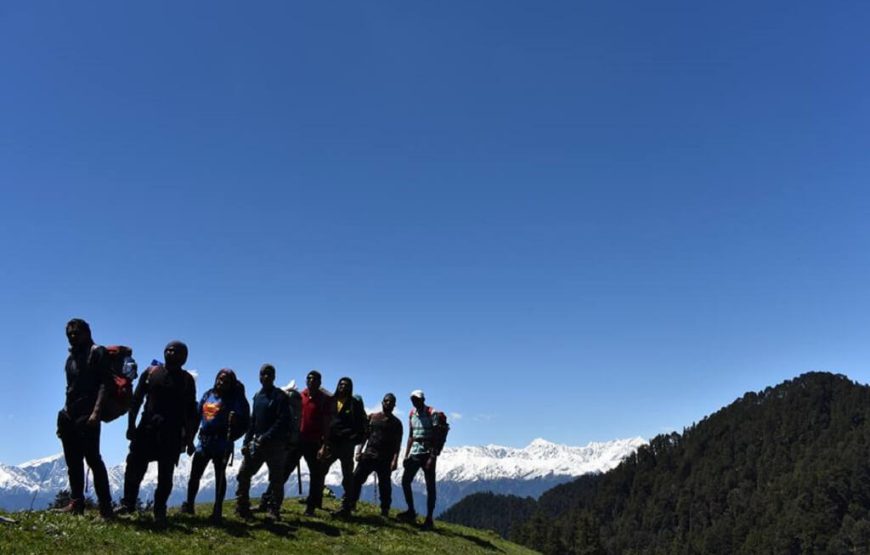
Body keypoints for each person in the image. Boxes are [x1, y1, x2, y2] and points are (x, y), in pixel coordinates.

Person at [117, 341, 198, 527]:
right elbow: (135, 400)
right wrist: (131, 426)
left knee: (166, 475)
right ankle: (128, 504)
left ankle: (159, 510)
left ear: (183, 358)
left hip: (172, 433)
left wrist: (190, 439)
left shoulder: (187, 380)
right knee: (134, 467)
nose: (170, 353)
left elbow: (191, 412)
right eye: (168, 350)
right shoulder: (151, 372)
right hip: (146, 429)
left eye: (175, 351)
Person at [55, 318, 114, 519]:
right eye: (69, 334)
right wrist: (63, 416)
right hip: (70, 414)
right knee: (73, 462)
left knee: (93, 459)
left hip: (88, 414)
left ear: (87, 333)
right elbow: (70, 389)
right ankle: (76, 503)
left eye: (76, 333)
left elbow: (105, 384)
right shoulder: (70, 359)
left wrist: (96, 413)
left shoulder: (97, 352)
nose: (72, 337)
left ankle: (106, 508)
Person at [181, 368, 250, 524]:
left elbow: (245, 420)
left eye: (226, 381)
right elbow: (197, 417)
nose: (221, 383)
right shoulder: (208, 395)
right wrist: (190, 441)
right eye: (220, 379)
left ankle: (217, 509)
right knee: (195, 475)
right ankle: (189, 505)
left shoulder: (235, 400)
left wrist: (235, 423)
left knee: (220, 476)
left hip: (222, 442)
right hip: (204, 442)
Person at [234, 364, 290, 520]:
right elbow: (253, 422)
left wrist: (266, 436)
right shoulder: (258, 396)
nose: (266, 377)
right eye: (263, 374)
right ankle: (242, 505)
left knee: (276, 478)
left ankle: (274, 509)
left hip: (275, 445)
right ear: (259, 376)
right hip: (257, 444)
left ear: (274, 377)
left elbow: (282, 420)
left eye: (269, 374)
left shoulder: (280, 397)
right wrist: (246, 441)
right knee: (244, 473)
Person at [333, 393, 403, 518]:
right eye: (386, 401)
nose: (388, 403)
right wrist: (359, 451)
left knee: (385, 485)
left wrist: (395, 460)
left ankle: (385, 510)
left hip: (385, 458)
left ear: (394, 405)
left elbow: (398, 444)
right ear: (382, 402)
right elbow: (365, 436)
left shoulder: (397, 423)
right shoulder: (372, 418)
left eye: (391, 402)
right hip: (369, 455)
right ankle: (351, 503)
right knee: (355, 479)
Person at [315, 377, 366, 516]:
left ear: (350, 388)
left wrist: (353, 439)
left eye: (346, 385)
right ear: (337, 386)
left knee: (347, 476)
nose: (343, 387)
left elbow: (360, 424)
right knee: (320, 470)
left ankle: (346, 506)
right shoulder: (331, 401)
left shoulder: (354, 403)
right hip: (330, 443)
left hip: (346, 445)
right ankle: (315, 500)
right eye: (341, 384)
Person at [397, 389, 442, 530]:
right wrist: (406, 455)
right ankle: (411, 511)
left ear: (422, 400)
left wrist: (432, 457)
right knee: (405, 481)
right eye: (412, 399)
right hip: (415, 452)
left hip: (428, 453)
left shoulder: (432, 413)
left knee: (430, 487)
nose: (414, 401)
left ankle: (429, 518)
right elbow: (411, 435)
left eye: (416, 399)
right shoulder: (412, 414)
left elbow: (437, 436)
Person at [299, 370, 333, 516]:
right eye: (309, 379)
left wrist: (324, 444)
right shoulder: (301, 396)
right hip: (298, 440)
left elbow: (326, 423)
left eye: (314, 379)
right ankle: (272, 502)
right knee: (284, 469)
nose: (311, 381)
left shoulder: (323, 399)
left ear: (319, 382)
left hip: (314, 442)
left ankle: (311, 507)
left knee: (315, 474)